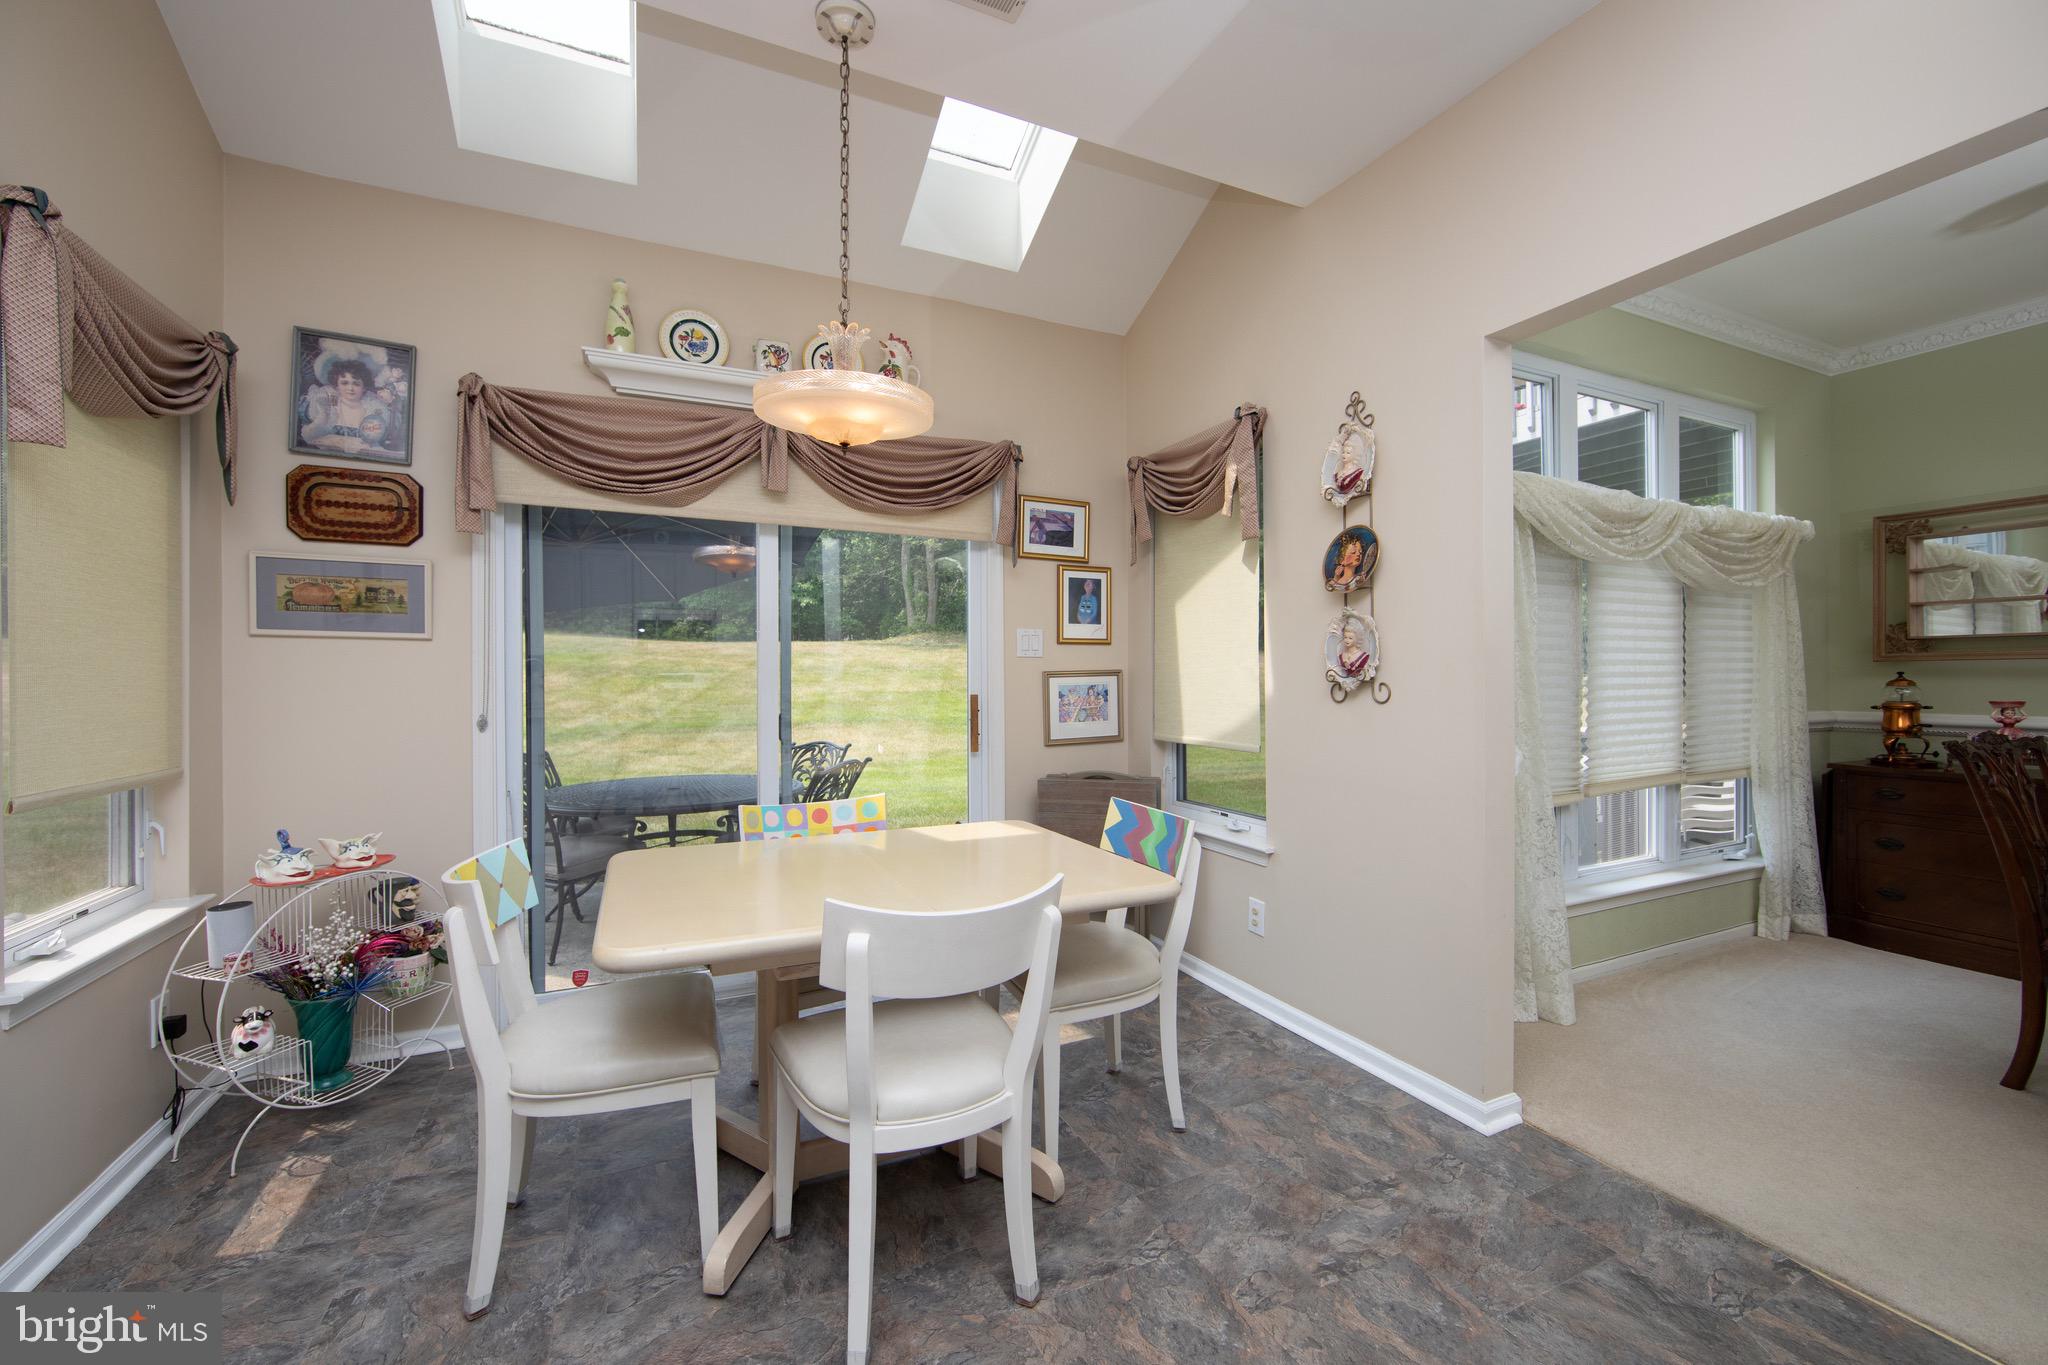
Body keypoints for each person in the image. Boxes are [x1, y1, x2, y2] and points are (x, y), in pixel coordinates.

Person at [300, 344, 396, 455]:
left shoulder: (374, 408)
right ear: (336, 384)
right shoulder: (328, 405)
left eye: (356, 383)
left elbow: (376, 442)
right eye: (344, 383)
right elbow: (312, 439)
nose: (350, 388)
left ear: (364, 386)